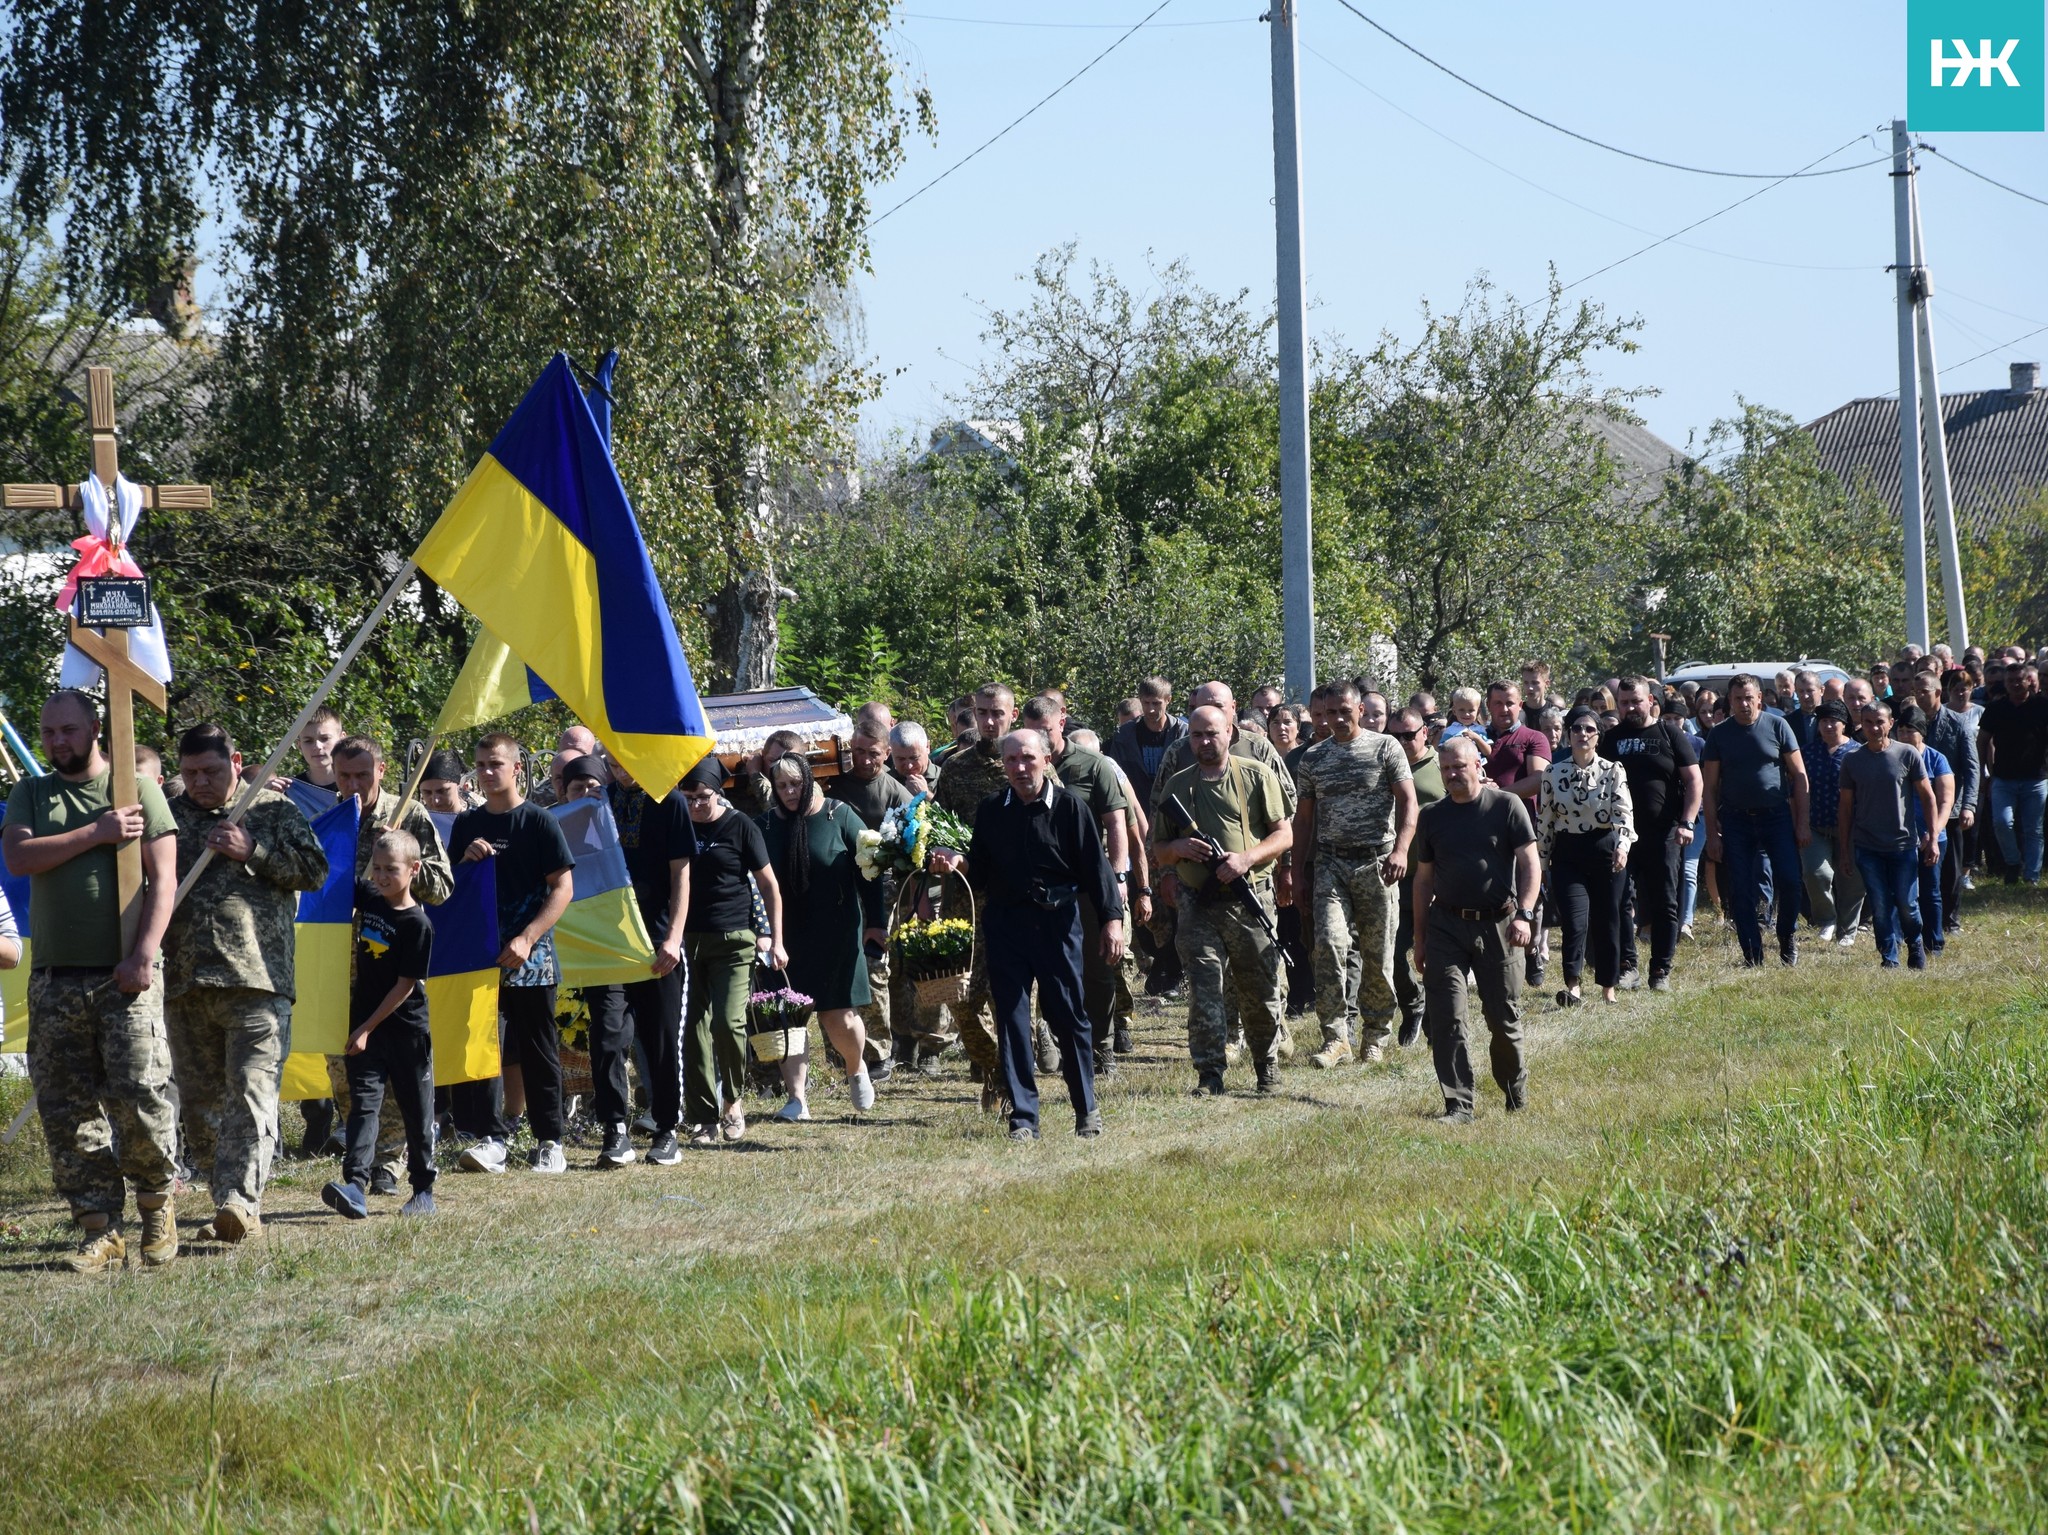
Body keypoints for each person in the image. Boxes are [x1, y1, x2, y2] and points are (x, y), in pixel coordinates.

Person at [3, 689, 182, 1271]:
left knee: (141, 1097)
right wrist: (97, 833)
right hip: (56, 981)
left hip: (124, 976)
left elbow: (165, 880)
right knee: (66, 1108)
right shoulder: (30, 792)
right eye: (48, 732)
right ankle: (99, 1229)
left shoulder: (137, 790)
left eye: (68, 731)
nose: (57, 742)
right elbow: (21, 859)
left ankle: (157, 1209)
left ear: (96, 728)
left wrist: (143, 956)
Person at [163, 725, 328, 1242]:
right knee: (202, 1106)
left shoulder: (272, 813)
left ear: (236, 761)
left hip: (256, 978)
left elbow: (316, 871)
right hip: (185, 982)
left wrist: (253, 849)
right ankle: (226, 1202)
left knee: (253, 1093)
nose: (201, 782)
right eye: (190, 773)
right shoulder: (169, 820)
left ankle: (241, 1200)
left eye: (211, 771)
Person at [931, 730, 1124, 1141]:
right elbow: (981, 872)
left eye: (1028, 759)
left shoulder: (1070, 808)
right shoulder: (991, 810)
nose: (1021, 768)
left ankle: (1086, 1110)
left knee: (1069, 1018)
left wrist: (1112, 920)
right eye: (1012, 760)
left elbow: (1096, 868)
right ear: (1003, 764)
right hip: (1005, 926)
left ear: (1047, 758)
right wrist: (958, 863)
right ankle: (1023, 1118)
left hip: (1057, 926)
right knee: (1013, 1022)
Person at [310, 736, 454, 1177]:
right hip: (338, 962)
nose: (353, 784)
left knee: (395, 1065)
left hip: (391, 961)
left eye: (362, 774)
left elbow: (443, 886)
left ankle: (390, 1162)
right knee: (347, 1063)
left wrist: (401, 857)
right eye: (344, 775)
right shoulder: (329, 820)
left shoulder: (408, 812)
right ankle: (361, 1151)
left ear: (381, 770)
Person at [1151, 705, 1293, 1095]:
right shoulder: (1177, 785)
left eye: (1212, 733)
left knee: (1259, 987)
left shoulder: (1256, 775)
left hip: (1249, 900)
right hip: (1196, 901)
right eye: (1197, 735)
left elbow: (1284, 835)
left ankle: (1267, 1068)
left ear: (1230, 732)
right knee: (1204, 988)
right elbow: (1158, 848)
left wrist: (1246, 858)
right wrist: (1178, 848)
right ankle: (1209, 1074)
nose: (1205, 742)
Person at [450, 734, 575, 1173]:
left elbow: (563, 888)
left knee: (538, 1049)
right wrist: (464, 861)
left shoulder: (539, 822)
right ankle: (491, 1138)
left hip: (531, 959)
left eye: (495, 764)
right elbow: (451, 890)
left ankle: (549, 1140)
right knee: (484, 1046)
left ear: (516, 768)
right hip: (480, 959)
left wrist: (528, 938)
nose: (486, 773)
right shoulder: (466, 824)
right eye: (480, 764)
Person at [1410, 736, 1539, 1123]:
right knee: (1447, 1016)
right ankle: (1459, 1104)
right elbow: (1423, 880)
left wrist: (1525, 914)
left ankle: (1514, 1089)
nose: (1452, 775)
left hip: (1500, 923)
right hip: (1447, 925)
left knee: (1502, 1018)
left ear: (1477, 768)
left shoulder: (1505, 806)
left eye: (1459, 767)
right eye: (1445, 769)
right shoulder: (1432, 816)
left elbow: (1530, 863)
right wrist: (1420, 938)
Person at [1292, 680, 1416, 1069]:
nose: (1338, 719)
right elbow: (1304, 821)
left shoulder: (1385, 747)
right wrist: (1296, 872)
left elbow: (1409, 802)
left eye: (1345, 711)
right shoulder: (1313, 758)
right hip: (1331, 864)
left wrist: (1400, 850)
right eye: (1330, 713)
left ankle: (1375, 1034)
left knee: (1378, 955)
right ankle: (1335, 1037)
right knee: (1328, 944)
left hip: (1377, 863)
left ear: (1360, 709)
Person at [760, 752, 886, 1118]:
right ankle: (797, 1099)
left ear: (809, 780)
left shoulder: (838, 815)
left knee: (838, 1018)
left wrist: (876, 923)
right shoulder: (765, 824)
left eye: (795, 784)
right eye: (781, 786)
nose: (789, 792)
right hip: (785, 937)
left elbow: (871, 870)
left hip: (837, 933)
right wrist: (762, 932)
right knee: (789, 1019)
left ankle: (855, 1067)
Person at [322, 829, 438, 1219]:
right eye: (377, 868)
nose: (382, 876)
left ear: (414, 869)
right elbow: (333, 872)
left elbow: (405, 986)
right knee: (363, 1107)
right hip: (366, 1028)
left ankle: (423, 1190)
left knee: (416, 1112)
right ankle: (354, 1185)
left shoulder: (418, 924)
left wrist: (366, 1028)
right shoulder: (371, 899)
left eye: (391, 869)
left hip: (404, 1031)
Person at [1020, 695, 1133, 1075]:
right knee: (1048, 966)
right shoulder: (1021, 765)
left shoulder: (1092, 766)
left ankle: (1101, 1046)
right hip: (1041, 886)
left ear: (1062, 722)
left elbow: (1117, 825)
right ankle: (1057, 1036)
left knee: (1097, 967)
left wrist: (1118, 878)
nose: (1039, 739)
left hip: (1086, 882)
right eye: (1032, 731)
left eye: (1045, 732)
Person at [590, 753, 691, 1165]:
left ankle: (666, 1129)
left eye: (626, 759)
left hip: (657, 942)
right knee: (608, 1034)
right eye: (612, 761)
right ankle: (615, 1129)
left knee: (661, 1038)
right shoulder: (599, 802)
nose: (621, 769)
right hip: (609, 943)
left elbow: (681, 872)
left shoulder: (670, 800)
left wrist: (674, 936)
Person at [680, 755, 782, 1137]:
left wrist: (776, 936)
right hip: (688, 941)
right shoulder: (679, 826)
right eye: (687, 798)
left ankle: (733, 1102)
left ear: (718, 793)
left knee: (727, 1022)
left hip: (735, 940)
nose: (694, 805)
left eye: (702, 797)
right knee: (692, 1028)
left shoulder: (740, 826)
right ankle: (704, 1116)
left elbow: (769, 885)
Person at [1700, 675, 1812, 967]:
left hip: (1776, 817)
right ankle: (1753, 953)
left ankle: (1787, 934)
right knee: (1741, 889)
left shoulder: (1778, 725)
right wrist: (1712, 833)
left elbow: (1799, 776)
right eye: (1738, 699)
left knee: (1790, 880)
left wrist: (1802, 822)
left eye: (1749, 697)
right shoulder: (1719, 735)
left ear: (1760, 698)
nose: (1744, 704)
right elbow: (1709, 788)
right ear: (1730, 702)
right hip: (1736, 820)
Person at [1600, 676, 1701, 993]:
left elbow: (1694, 782)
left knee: (1665, 903)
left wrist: (1687, 822)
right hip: (1621, 835)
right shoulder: (1611, 738)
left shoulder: (1670, 734)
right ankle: (1627, 967)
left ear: (1650, 701)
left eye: (1636, 701)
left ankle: (1660, 970)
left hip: (1664, 833)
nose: (1630, 707)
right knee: (1617, 902)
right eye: (1625, 702)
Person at [829, 718, 915, 1076]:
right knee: (837, 965)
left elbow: (918, 836)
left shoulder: (895, 791)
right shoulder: (833, 785)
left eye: (873, 753)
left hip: (883, 892)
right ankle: (841, 1048)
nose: (865, 760)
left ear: (887, 754)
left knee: (875, 966)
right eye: (858, 752)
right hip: (836, 888)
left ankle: (878, 1051)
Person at [1540, 710, 1635, 1006]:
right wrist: (1542, 865)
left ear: (1598, 736)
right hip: (1568, 852)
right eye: (1577, 728)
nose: (1583, 733)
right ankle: (1573, 986)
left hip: (1605, 850)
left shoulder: (1613, 770)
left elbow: (1624, 814)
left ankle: (1609, 987)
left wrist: (1622, 847)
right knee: (1574, 921)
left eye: (1589, 729)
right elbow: (1545, 822)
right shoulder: (1552, 773)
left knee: (1608, 919)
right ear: (1568, 734)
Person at [1837, 699, 1939, 969]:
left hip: (1903, 844)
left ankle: (1915, 943)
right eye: (1868, 722)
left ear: (1891, 723)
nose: (1873, 728)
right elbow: (1845, 808)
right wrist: (1845, 851)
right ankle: (1889, 957)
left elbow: (1928, 797)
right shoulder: (1852, 760)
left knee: (1907, 904)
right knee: (1881, 905)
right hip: (1867, 846)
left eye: (1879, 722)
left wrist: (1932, 835)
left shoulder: (1907, 754)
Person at [1483, 680, 1552, 984]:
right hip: (1481, 828)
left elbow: (1538, 779)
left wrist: (1499, 795)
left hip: (1524, 826)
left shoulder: (1532, 737)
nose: (1504, 709)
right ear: (1489, 706)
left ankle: (1533, 950)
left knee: (1529, 892)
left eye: (1510, 702)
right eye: (1497, 703)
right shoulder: (1475, 737)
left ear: (1520, 705)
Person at [1385, 707, 1444, 1045]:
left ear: (1425, 732)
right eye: (1395, 736)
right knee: (1390, 954)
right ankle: (1413, 1005)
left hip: (1436, 877)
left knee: (1437, 957)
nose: (1403, 742)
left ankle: (1436, 1022)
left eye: (1409, 734)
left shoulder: (1443, 766)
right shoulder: (1383, 767)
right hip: (1396, 878)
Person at [1905, 667, 1976, 934]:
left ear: (1937, 692)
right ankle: (1924, 918)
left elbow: (1971, 767)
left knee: (1950, 870)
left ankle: (1951, 919)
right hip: (1916, 809)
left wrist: (1969, 805)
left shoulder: (1957, 724)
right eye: (1916, 692)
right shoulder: (1911, 722)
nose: (1919, 697)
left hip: (1951, 808)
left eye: (1924, 692)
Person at [1798, 702, 1865, 949]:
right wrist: (1800, 823)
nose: (1827, 726)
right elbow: (1797, 790)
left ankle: (1848, 930)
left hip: (1852, 827)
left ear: (1844, 723)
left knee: (1851, 880)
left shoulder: (1858, 752)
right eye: (1822, 721)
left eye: (1832, 721)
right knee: (1816, 873)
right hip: (1815, 824)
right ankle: (1827, 919)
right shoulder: (1807, 752)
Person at [1892, 704, 1954, 953]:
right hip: (1899, 837)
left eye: (1911, 730)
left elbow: (1946, 801)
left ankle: (1934, 943)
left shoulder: (1937, 759)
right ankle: (1895, 941)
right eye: (1902, 730)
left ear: (1923, 733)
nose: (1905, 736)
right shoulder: (1891, 756)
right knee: (1898, 891)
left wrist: (1933, 833)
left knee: (1930, 891)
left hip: (1932, 836)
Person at [1979, 660, 2046, 884]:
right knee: (2002, 822)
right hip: (2003, 778)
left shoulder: (2042, 706)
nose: (2015, 684)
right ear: (2005, 684)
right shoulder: (1997, 708)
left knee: (2033, 829)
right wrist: (1984, 773)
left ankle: (2031, 876)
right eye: (2010, 681)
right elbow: (1983, 741)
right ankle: (2013, 862)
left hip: (2036, 779)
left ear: (2029, 681)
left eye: (2019, 680)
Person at [1106, 676, 1186, 811]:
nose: (1150, 709)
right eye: (1146, 703)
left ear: (1168, 700)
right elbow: (1114, 776)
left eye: (1156, 703)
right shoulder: (1124, 736)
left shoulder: (1183, 733)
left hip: (1176, 811)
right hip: (1136, 809)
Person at [278, 706, 345, 821]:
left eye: (324, 738)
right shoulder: (288, 791)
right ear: (299, 745)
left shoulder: (356, 784)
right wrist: (266, 798)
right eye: (308, 741)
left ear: (342, 739)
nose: (317, 747)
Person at [886, 720, 935, 798]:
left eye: (914, 758)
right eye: (901, 759)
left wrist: (926, 795)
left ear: (927, 747)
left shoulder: (946, 778)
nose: (909, 766)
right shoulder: (886, 782)